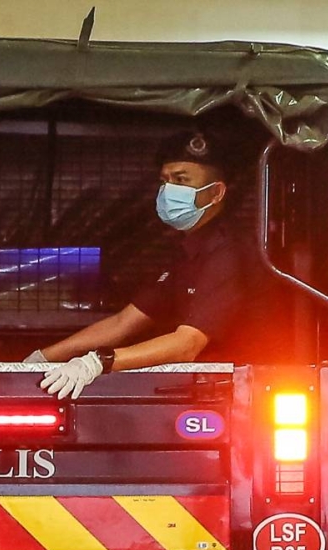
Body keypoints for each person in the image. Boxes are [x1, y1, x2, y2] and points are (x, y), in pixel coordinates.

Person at [25, 130, 254, 399]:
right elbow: (123, 323)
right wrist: (40, 359)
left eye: (181, 180)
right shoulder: (186, 251)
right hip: (201, 389)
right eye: (165, 181)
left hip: (241, 390)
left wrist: (98, 362)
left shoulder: (230, 251)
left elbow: (187, 344)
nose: (169, 190)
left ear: (216, 192)